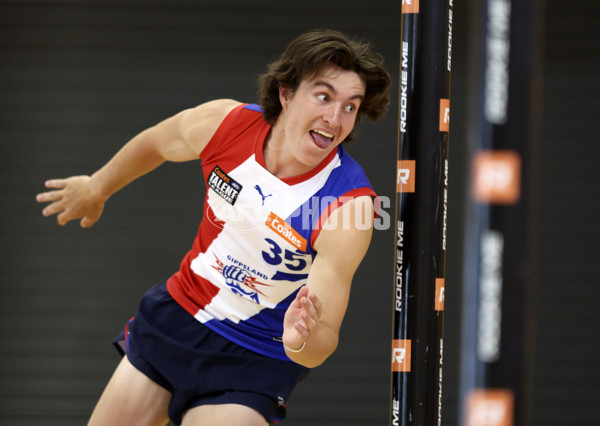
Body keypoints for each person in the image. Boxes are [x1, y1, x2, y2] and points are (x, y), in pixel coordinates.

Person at [36, 29, 391, 426]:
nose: (333, 118)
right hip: (181, 312)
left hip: (255, 357)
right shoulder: (225, 125)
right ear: (286, 93)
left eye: (350, 107)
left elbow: (323, 337)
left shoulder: (348, 206)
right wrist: (97, 187)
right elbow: (156, 143)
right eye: (324, 96)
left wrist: (302, 340)